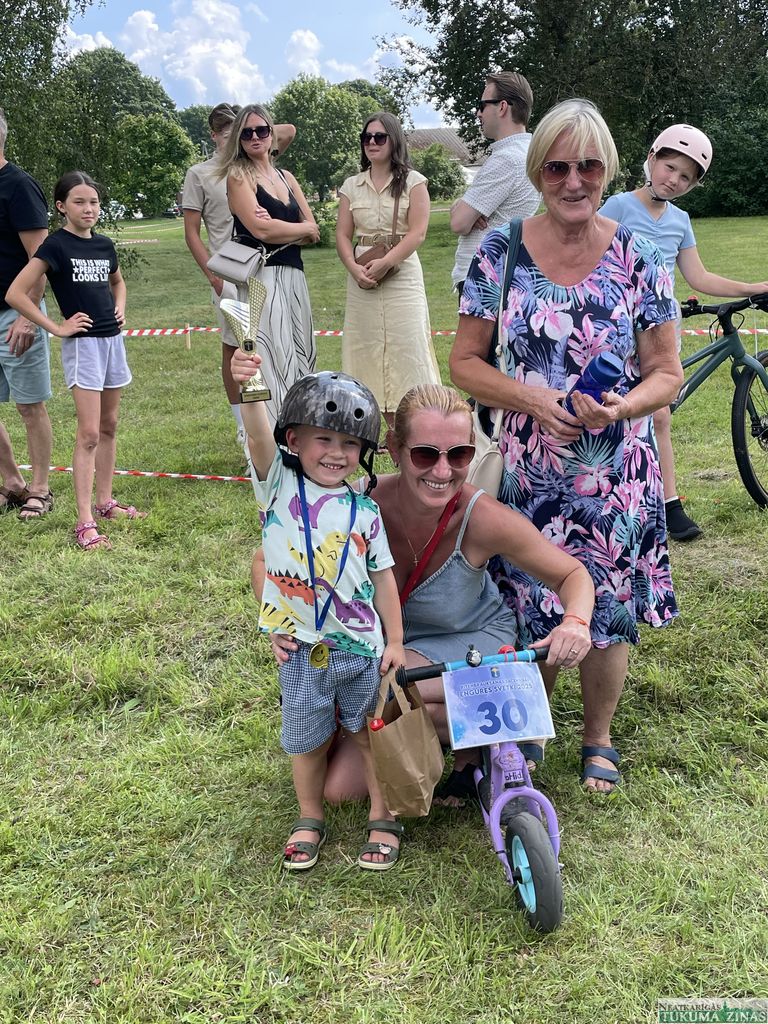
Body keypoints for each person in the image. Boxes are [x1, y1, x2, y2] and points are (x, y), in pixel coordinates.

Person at [451, 98, 685, 793]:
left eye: (588, 166)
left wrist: (622, 406)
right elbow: (465, 363)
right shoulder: (502, 250)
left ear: (607, 168)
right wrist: (534, 399)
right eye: (557, 167)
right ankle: (525, 730)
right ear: (538, 172)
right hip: (529, 475)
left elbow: (666, 372)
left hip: (616, 476)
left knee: (606, 608)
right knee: (525, 602)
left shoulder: (638, 254)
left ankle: (597, 736)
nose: (574, 181)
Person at [256, 384, 595, 805]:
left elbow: (572, 574)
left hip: (469, 639)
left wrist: (575, 622)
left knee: (382, 685)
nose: (442, 470)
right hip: (388, 647)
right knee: (340, 790)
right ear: (394, 449)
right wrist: (282, 621)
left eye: (459, 455)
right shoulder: (354, 503)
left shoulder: (481, 517)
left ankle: (483, 729)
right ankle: (471, 733)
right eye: (424, 454)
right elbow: (267, 560)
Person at [231, 353, 409, 871]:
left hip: (362, 651)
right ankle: (309, 816)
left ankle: (382, 815)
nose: (336, 453)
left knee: (368, 736)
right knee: (305, 741)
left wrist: (395, 641)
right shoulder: (278, 485)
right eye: (323, 439)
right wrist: (250, 389)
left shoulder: (366, 511)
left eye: (349, 444)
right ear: (294, 441)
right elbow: (258, 438)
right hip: (300, 652)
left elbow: (383, 580)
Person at [601, 124, 768, 541]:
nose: (674, 180)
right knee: (619, 411)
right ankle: (630, 500)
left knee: (659, 415)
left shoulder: (681, 220)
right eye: (669, 167)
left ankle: (668, 504)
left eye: (686, 177)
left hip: (662, 330)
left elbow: (698, 276)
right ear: (652, 159)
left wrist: (754, 287)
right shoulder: (618, 206)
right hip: (617, 327)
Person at [7, 171, 144, 550]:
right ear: (61, 206)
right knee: (88, 434)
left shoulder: (103, 245)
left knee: (109, 426)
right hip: (83, 347)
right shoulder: (54, 246)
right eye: (79, 202)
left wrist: (120, 306)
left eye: (94, 202)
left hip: (112, 343)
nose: (88, 209)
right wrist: (56, 327)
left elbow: (118, 282)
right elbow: (16, 293)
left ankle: (105, 503)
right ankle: (84, 521)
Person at [182, 103, 296, 458]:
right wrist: (212, 276)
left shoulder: (254, 164)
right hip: (230, 273)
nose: (245, 138)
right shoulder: (201, 173)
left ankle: (278, 420)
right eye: (232, 133)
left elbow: (287, 130)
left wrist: (253, 126)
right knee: (241, 350)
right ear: (214, 136)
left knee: (273, 346)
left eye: (251, 131)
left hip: (269, 269)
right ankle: (247, 429)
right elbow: (191, 232)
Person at [336, 111, 441, 430]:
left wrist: (388, 261)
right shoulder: (351, 186)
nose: (371, 142)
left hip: (402, 275)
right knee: (363, 349)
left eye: (379, 137)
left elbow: (418, 233)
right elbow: (342, 235)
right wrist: (354, 269)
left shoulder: (414, 182)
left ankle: (413, 427)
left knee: (409, 347)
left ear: (393, 140)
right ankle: (367, 423)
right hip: (362, 277)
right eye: (366, 137)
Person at [217, 104, 318, 429]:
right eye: (246, 133)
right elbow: (262, 230)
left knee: (302, 356)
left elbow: (314, 231)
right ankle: (266, 441)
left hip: (294, 278)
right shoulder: (238, 176)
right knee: (266, 361)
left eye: (262, 130)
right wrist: (294, 228)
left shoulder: (286, 178)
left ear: (271, 134)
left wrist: (281, 226)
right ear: (238, 139)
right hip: (261, 279)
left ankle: (301, 432)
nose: (255, 137)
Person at [0, 108, 54, 520]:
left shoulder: (18, 186)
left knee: (28, 406)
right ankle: (11, 483)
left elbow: (42, 258)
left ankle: (40, 489)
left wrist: (27, 316)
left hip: (15, 314)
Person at [450, 72, 541, 297]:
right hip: (502, 273)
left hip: (483, 276)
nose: (478, 113)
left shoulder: (506, 159)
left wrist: (463, 207)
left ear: (502, 107)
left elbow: (459, 222)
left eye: (482, 105)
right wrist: (465, 206)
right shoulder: (529, 154)